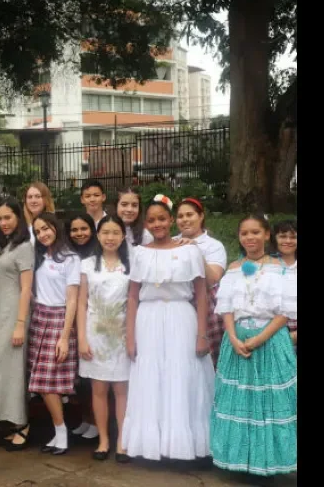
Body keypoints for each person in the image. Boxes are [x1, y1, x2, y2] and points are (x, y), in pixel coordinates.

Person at [121, 194, 215, 462]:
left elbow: (201, 294)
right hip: (147, 319)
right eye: (151, 220)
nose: (157, 224)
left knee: (181, 377)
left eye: (162, 219)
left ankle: (184, 444)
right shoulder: (139, 253)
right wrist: (130, 337)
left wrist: (202, 334)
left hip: (180, 317)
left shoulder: (189, 250)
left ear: (171, 220)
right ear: (146, 224)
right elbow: (132, 296)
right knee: (151, 379)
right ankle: (152, 444)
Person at [210, 215, 297, 476]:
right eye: (245, 233)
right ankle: (239, 462)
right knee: (239, 401)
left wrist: (260, 338)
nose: (250, 238)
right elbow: (226, 308)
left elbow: (285, 311)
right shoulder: (233, 268)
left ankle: (268, 464)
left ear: (267, 234)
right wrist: (234, 338)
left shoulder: (280, 268)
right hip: (236, 340)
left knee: (269, 402)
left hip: (270, 340)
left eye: (256, 232)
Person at [77, 215, 132, 462]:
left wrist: (132, 337)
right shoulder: (88, 264)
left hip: (121, 334)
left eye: (115, 233)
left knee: (122, 389)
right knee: (98, 389)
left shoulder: (131, 266)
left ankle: (122, 440)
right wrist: (81, 338)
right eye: (105, 233)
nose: (110, 237)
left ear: (123, 237)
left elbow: (134, 303)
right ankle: (103, 440)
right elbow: (81, 303)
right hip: (94, 333)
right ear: (98, 236)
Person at [30, 212, 81, 456]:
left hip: (60, 318)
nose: (43, 234)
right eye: (38, 231)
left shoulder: (70, 258)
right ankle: (58, 431)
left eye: (46, 228)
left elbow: (72, 300)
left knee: (47, 380)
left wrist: (64, 336)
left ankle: (61, 433)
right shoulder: (39, 255)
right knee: (41, 382)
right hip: (39, 317)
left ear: (56, 228)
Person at [0, 198, 34, 451]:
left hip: (16, 312)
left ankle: (22, 424)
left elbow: (26, 288)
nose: (4, 223)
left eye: (8, 218)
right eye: (0, 219)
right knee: (0, 369)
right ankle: (12, 420)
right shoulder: (5, 246)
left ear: (18, 218)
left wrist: (19, 323)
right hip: (1, 312)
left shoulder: (24, 246)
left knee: (14, 369)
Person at [174, 198, 227, 366]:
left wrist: (195, 251)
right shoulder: (170, 242)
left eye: (190, 214)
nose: (185, 219)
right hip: (177, 305)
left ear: (201, 216)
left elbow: (213, 279)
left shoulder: (213, 246)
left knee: (208, 361)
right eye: (180, 216)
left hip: (206, 307)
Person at [65, 212, 98, 440]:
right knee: (81, 376)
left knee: (93, 373)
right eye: (74, 230)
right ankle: (86, 418)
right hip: (72, 316)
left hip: (93, 317)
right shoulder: (68, 255)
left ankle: (97, 420)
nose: (79, 234)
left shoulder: (98, 254)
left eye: (83, 229)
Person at [272, 219, 297, 346]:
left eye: (293, 237)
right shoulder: (265, 265)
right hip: (271, 335)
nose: (288, 241)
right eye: (282, 236)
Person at [115, 187, 153, 253]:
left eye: (134, 205)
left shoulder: (145, 236)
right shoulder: (104, 231)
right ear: (115, 206)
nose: (129, 209)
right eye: (124, 205)